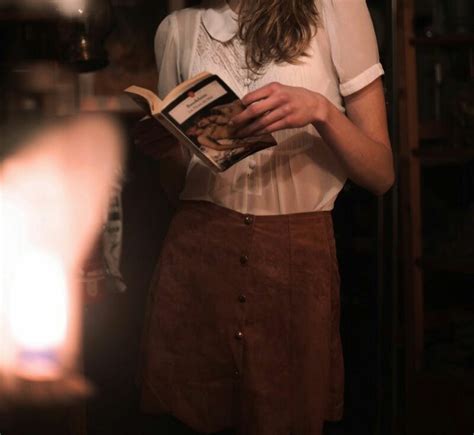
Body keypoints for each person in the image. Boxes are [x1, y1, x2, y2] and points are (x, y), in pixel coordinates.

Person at [136, 0, 394, 434]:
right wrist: (167, 151)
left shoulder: (335, 8)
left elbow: (381, 174)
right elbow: (175, 185)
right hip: (198, 253)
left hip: (294, 255)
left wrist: (321, 111)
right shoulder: (177, 28)